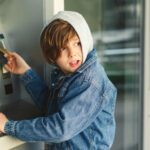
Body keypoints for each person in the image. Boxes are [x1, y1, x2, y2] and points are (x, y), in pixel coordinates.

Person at [0, 11, 117, 150]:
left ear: (85, 40)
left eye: (77, 43)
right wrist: (26, 72)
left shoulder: (89, 81)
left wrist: (9, 127)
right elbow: (51, 107)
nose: (72, 53)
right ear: (52, 55)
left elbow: (61, 129)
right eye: (63, 48)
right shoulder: (67, 75)